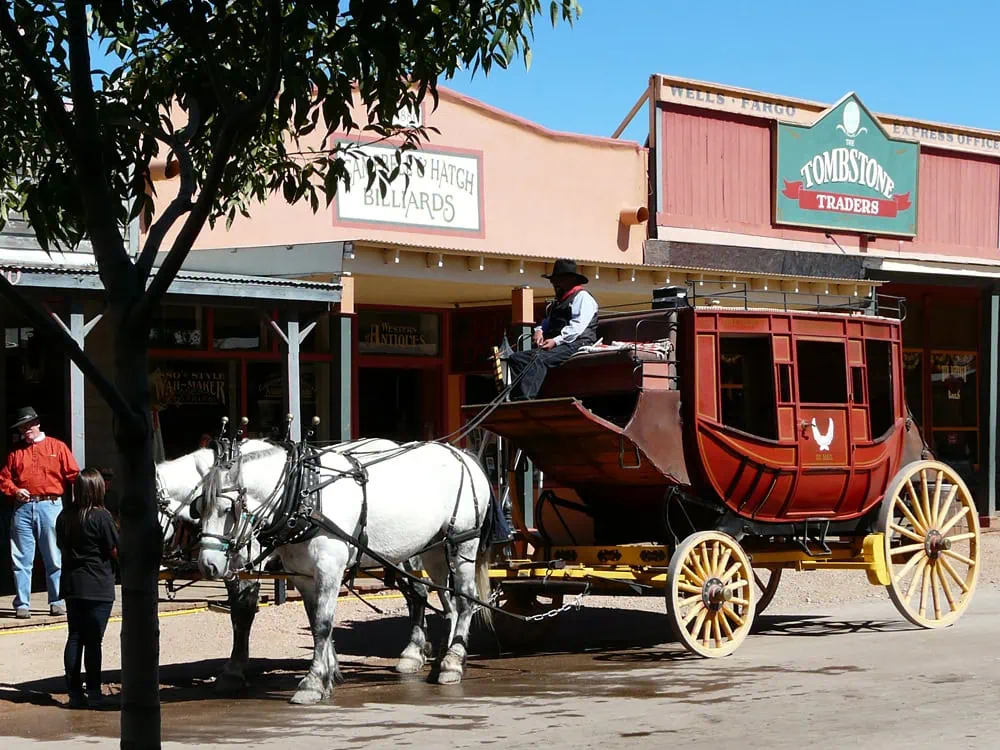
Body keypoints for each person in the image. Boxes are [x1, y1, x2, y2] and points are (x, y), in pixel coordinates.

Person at [0, 407, 80, 619]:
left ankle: (56, 600)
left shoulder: (57, 447)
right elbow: (4, 479)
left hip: (51, 505)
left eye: (28, 426)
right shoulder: (15, 452)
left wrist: (81, 502)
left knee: (53, 556)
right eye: (21, 428)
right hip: (23, 508)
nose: (25, 431)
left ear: (37, 424)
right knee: (21, 558)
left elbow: (74, 475)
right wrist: (16, 491)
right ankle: (22, 603)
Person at [56, 469, 118, 709]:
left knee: (74, 637)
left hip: (72, 583)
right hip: (98, 584)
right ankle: (94, 691)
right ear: (97, 489)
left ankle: (74, 692)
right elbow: (114, 549)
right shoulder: (102, 517)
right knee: (94, 641)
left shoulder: (65, 516)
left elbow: (62, 545)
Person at [506, 259, 599, 400]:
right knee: (516, 358)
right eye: (553, 280)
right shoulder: (558, 302)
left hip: (577, 343)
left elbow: (577, 327)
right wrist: (539, 330)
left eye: (557, 280)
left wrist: (555, 341)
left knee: (538, 359)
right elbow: (547, 322)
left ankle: (526, 399)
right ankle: (512, 397)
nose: (554, 284)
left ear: (569, 280)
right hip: (561, 343)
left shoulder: (583, 298)